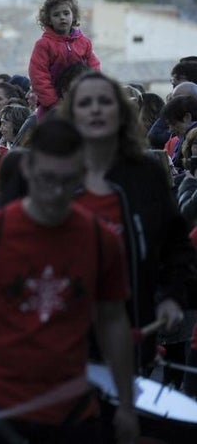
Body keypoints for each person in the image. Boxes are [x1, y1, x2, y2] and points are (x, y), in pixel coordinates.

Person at [0, 117, 138, 444]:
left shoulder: (102, 240)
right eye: (47, 179)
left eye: (67, 180)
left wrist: (127, 406)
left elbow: (113, 320)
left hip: (72, 412)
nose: (56, 192)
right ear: (29, 169)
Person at [61, 70, 196, 369]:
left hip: (133, 327)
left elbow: (175, 246)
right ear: (71, 114)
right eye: (85, 103)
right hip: (66, 334)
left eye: (104, 102)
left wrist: (172, 296)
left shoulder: (145, 174)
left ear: (120, 113)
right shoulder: (54, 175)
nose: (95, 109)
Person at [28, 0, 100, 117]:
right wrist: (53, 102)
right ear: (48, 19)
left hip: (82, 99)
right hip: (52, 106)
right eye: (56, 15)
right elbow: (38, 75)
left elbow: (94, 67)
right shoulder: (44, 44)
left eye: (66, 13)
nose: (62, 17)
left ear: (74, 15)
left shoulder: (84, 42)